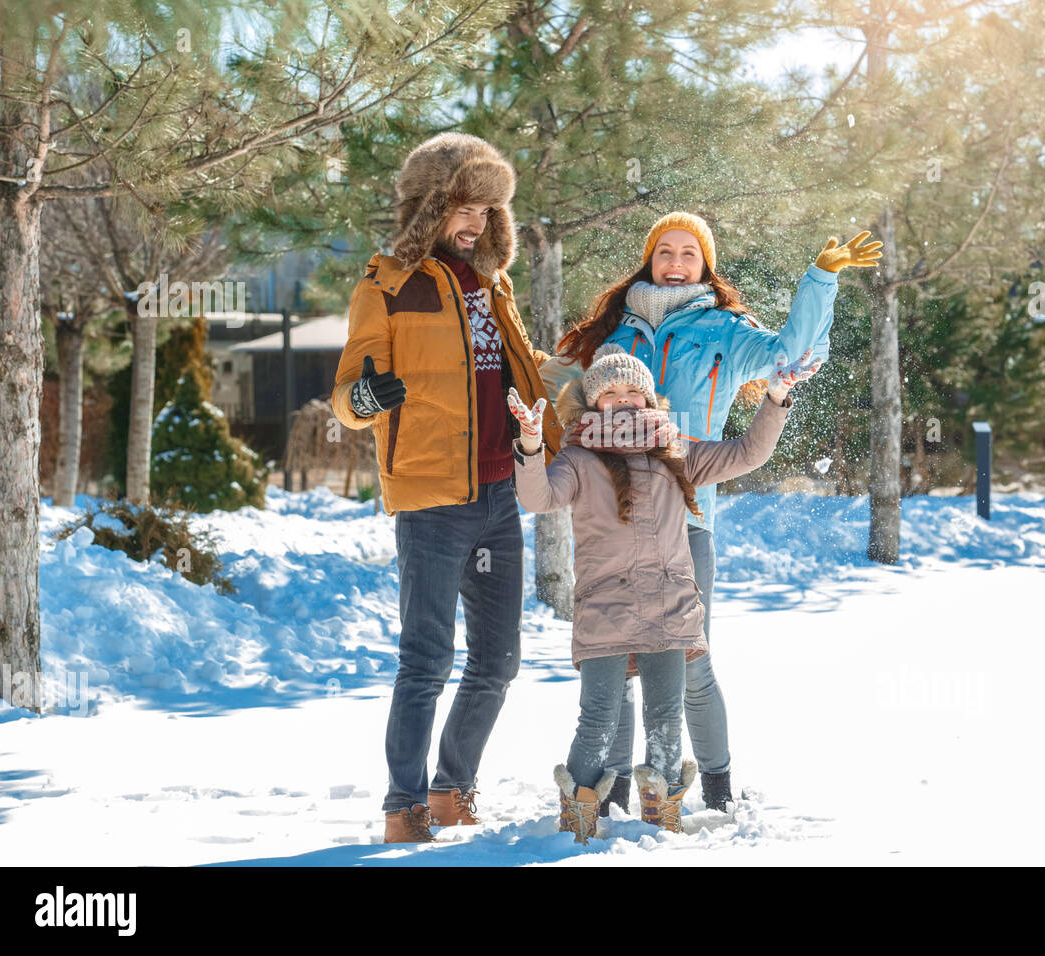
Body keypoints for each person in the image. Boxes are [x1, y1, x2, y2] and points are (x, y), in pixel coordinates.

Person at [539, 212, 881, 813]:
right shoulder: (608, 335)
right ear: (649, 259)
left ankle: (716, 789)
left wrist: (820, 279)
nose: (674, 262)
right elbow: (544, 382)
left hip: (687, 518)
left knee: (691, 663)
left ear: (705, 266)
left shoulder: (725, 330)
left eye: (688, 254)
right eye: (664, 251)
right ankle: (613, 792)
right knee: (615, 671)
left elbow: (793, 354)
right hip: (609, 524)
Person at [330, 132, 563, 844]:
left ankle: (452, 788)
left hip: (499, 496)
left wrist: (583, 380)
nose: (476, 223)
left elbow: (523, 373)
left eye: (489, 210)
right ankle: (404, 804)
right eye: (465, 207)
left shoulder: (495, 286)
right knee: (426, 659)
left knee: (498, 660)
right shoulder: (387, 285)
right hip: (431, 501)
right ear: (431, 207)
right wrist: (368, 397)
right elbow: (344, 396)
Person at [509, 343, 820, 843]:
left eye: (634, 388)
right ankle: (579, 817)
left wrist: (777, 395)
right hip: (606, 610)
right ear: (592, 403)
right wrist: (527, 445)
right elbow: (536, 497)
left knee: (665, 716)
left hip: (669, 607)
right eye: (609, 391)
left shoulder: (677, 450)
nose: (624, 398)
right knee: (598, 719)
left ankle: (663, 815)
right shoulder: (578, 457)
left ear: (650, 398)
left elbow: (748, 453)